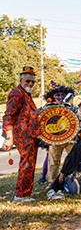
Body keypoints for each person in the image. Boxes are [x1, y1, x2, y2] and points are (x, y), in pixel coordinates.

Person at [2, 66, 40, 203]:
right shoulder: (17, 93)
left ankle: (25, 193)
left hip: (30, 134)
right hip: (22, 134)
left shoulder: (26, 94)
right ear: (21, 80)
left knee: (29, 164)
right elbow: (8, 116)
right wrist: (8, 137)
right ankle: (21, 195)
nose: (29, 84)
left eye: (32, 82)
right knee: (26, 164)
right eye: (27, 81)